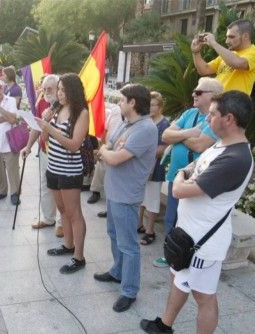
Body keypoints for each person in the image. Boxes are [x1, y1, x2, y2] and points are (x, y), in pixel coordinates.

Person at [140, 91, 254, 334]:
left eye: (212, 114)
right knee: (178, 280)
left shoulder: (237, 158)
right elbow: (193, 167)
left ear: (229, 119)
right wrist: (184, 175)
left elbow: (181, 188)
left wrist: (181, 176)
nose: (207, 119)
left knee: (204, 297)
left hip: (204, 242)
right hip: (187, 234)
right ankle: (165, 325)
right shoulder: (221, 145)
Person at [93, 84, 157, 312]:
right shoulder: (125, 122)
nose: (119, 103)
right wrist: (106, 151)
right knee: (113, 234)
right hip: (114, 190)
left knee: (128, 244)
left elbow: (117, 157)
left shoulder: (146, 129)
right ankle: (117, 272)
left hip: (127, 194)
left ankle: (129, 290)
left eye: (122, 99)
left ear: (133, 102)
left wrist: (105, 153)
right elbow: (110, 143)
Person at [153, 77, 223, 268]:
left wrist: (179, 136)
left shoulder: (215, 118)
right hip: (175, 176)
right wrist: (188, 133)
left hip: (195, 180)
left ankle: (185, 257)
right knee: (171, 217)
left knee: (188, 219)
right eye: (194, 91)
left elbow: (201, 144)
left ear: (214, 96)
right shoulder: (190, 113)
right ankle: (171, 254)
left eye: (199, 92)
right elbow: (166, 134)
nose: (193, 94)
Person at [35, 73, 89, 274]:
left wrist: (51, 128)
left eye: (63, 90)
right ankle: (68, 245)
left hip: (69, 170)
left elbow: (74, 145)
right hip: (54, 167)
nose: (59, 93)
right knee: (62, 210)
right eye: (58, 89)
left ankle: (79, 257)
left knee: (74, 213)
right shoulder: (55, 108)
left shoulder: (81, 113)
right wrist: (45, 124)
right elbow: (45, 138)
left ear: (73, 91)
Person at [21, 74, 64, 238]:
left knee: (61, 189)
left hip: (60, 153)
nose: (46, 92)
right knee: (45, 185)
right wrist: (28, 146)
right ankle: (48, 218)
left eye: (50, 89)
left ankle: (62, 223)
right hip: (45, 151)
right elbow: (36, 127)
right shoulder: (42, 102)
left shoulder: (65, 106)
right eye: (44, 88)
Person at [191, 19, 255, 95]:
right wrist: (196, 52)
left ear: (245, 36)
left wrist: (214, 43)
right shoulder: (228, 54)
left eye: (231, 37)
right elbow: (204, 70)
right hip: (217, 102)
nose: (227, 41)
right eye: (227, 37)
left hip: (234, 104)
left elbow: (237, 63)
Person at [137, 91, 170, 245]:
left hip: (156, 168)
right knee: (141, 197)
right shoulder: (146, 121)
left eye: (153, 105)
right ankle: (139, 225)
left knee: (152, 200)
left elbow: (163, 149)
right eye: (148, 104)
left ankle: (150, 231)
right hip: (142, 167)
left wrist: (142, 150)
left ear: (160, 107)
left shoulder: (164, 124)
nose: (149, 107)